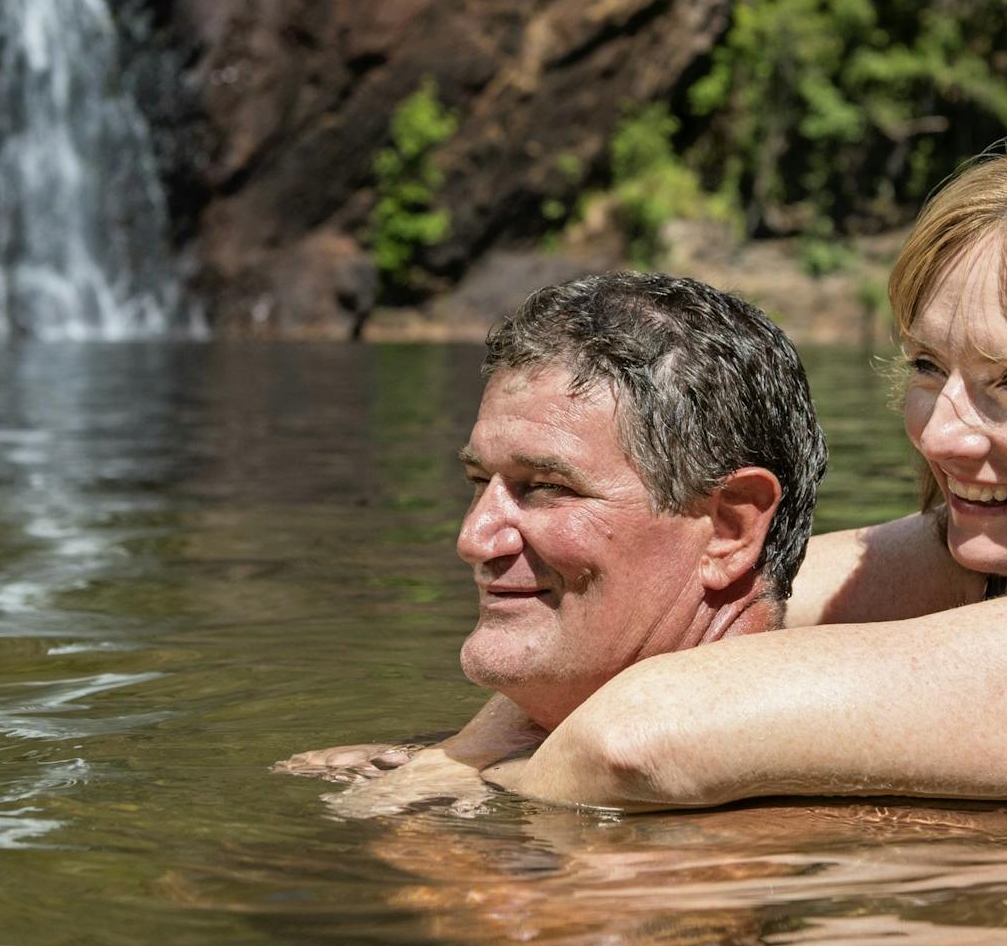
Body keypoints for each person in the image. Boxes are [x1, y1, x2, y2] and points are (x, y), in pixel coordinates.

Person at [296, 138, 1007, 819]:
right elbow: (691, 610)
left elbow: (643, 731)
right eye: (927, 368)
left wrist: (450, 805)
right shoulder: (996, 569)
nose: (943, 436)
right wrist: (459, 750)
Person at [279, 269, 830, 804]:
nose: (474, 539)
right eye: (478, 481)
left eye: (545, 486)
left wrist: (438, 851)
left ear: (729, 530)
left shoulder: (757, 831)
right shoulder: (473, 764)